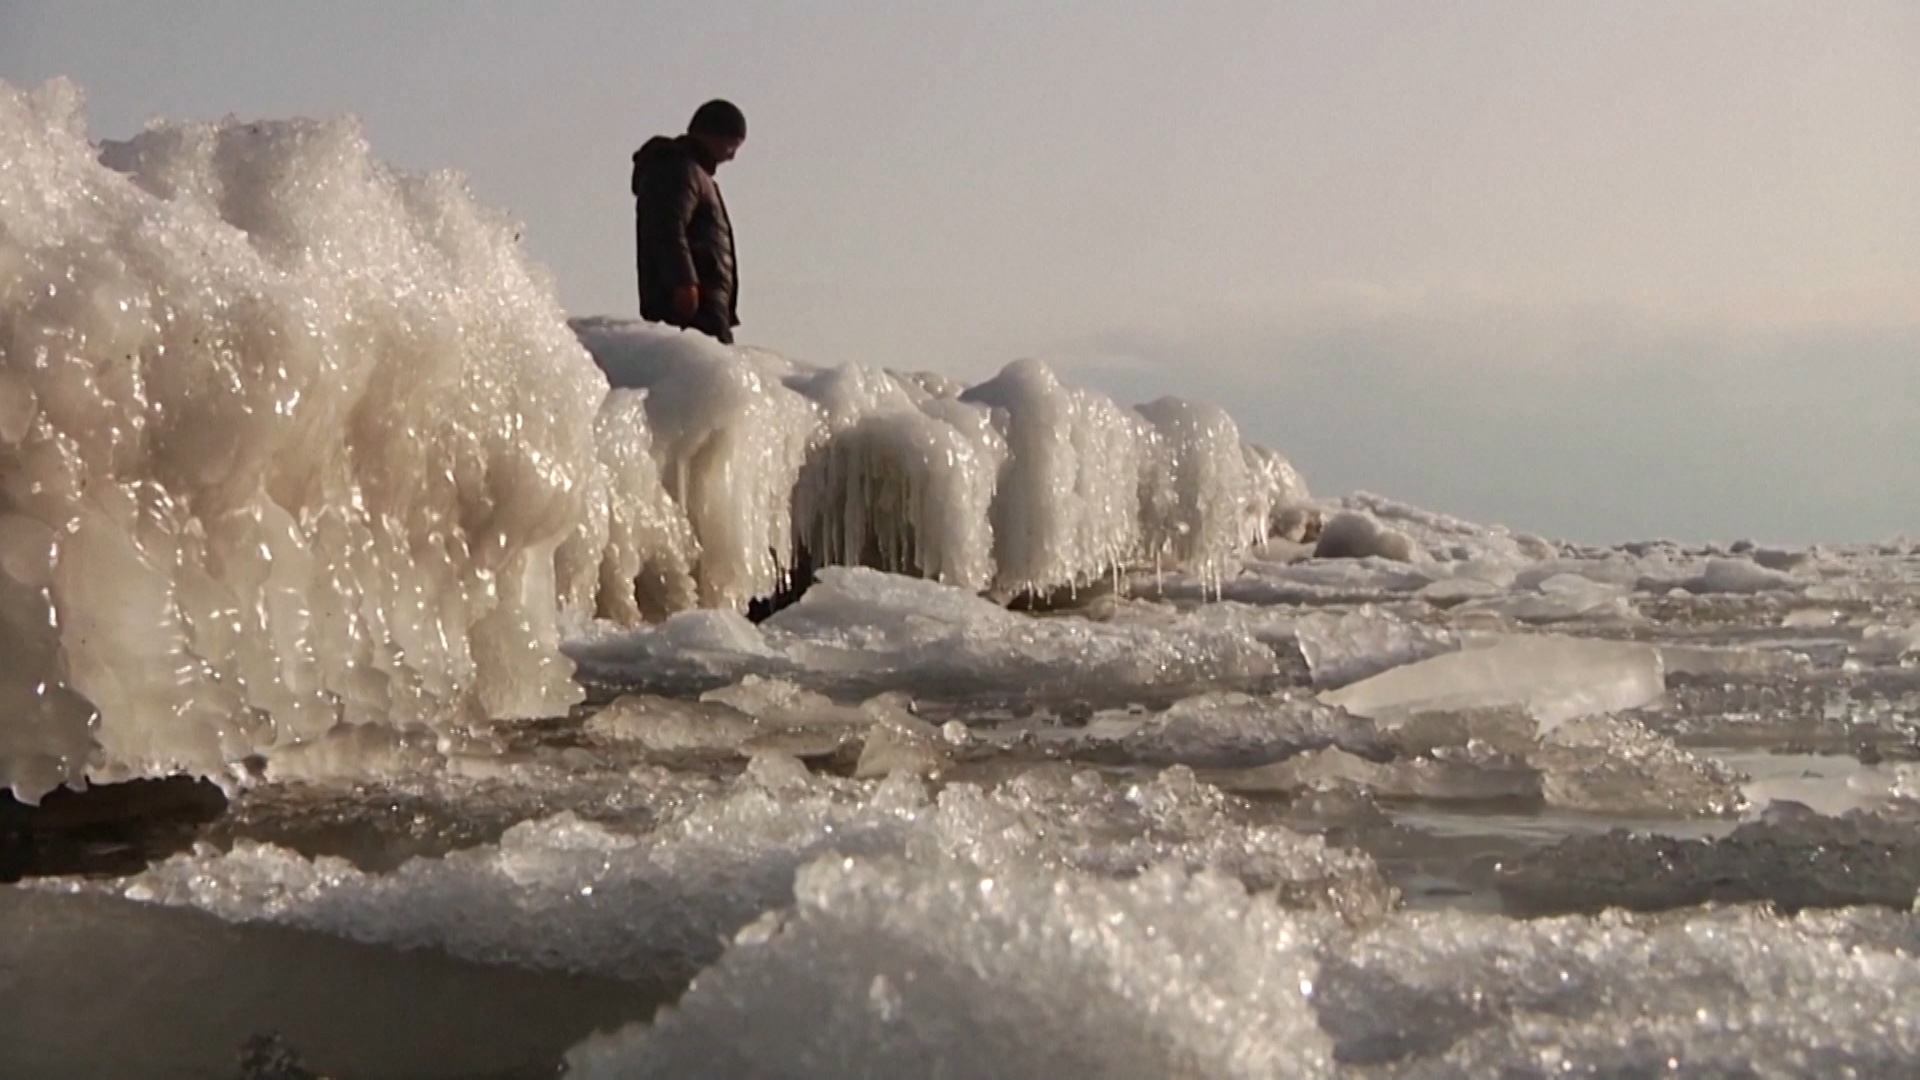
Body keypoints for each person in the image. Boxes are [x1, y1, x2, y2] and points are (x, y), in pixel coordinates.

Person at [631, 99, 746, 344]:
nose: (732, 156)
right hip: (690, 305)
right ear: (715, 135)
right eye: (731, 145)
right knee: (700, 375)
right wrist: (684, 281)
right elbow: (666, 226)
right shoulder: (678, 169)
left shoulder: (693, 174)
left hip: (704, 303)